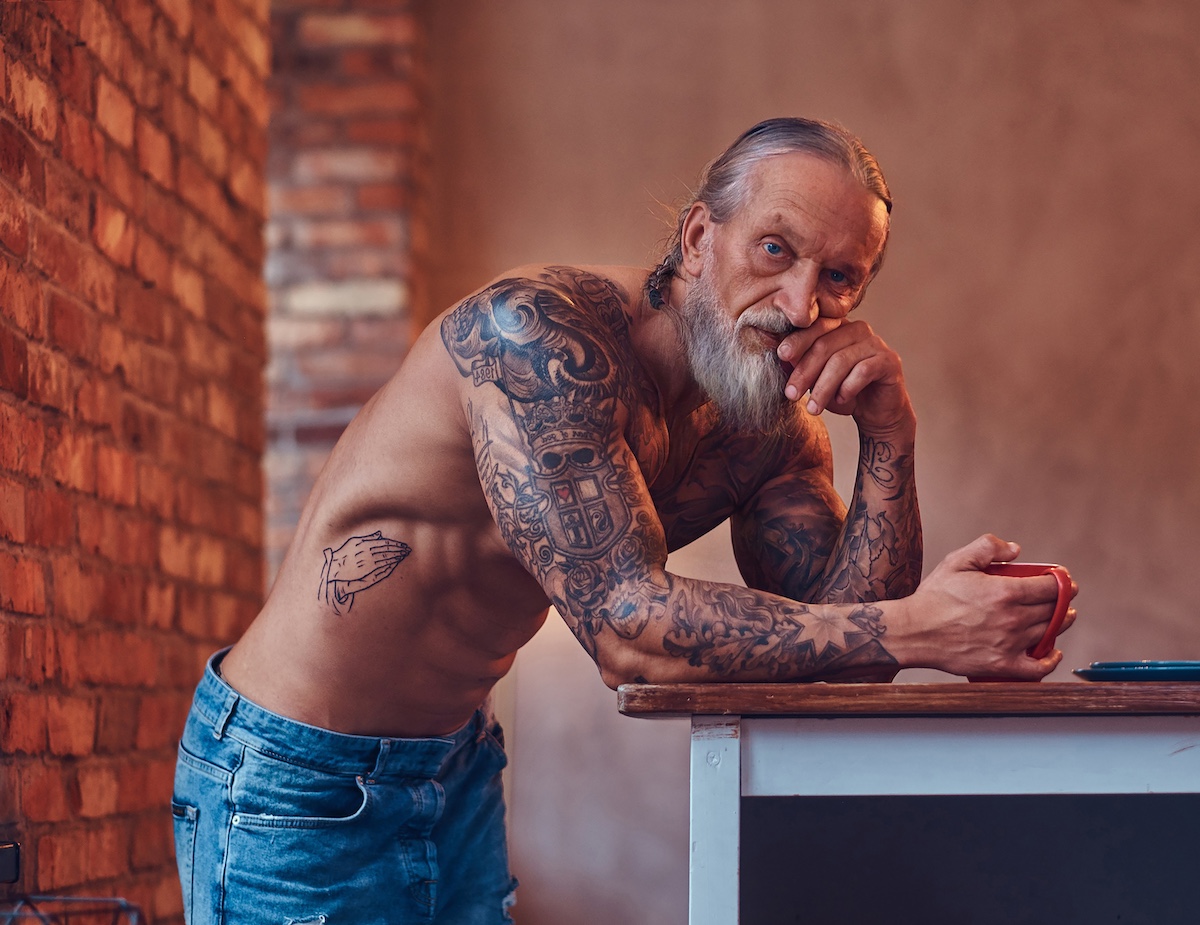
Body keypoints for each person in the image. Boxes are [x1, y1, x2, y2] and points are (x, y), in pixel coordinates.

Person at [172, 117, 1077, 924]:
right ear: (697, 237)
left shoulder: (770, 422)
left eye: (839, 276)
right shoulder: (538, 338)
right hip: (297, 777)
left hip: (456, 767)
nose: (802, 304)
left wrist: (889, 433)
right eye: (775, 251)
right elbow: (625, 626)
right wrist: (924, 627)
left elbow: (846, 654)